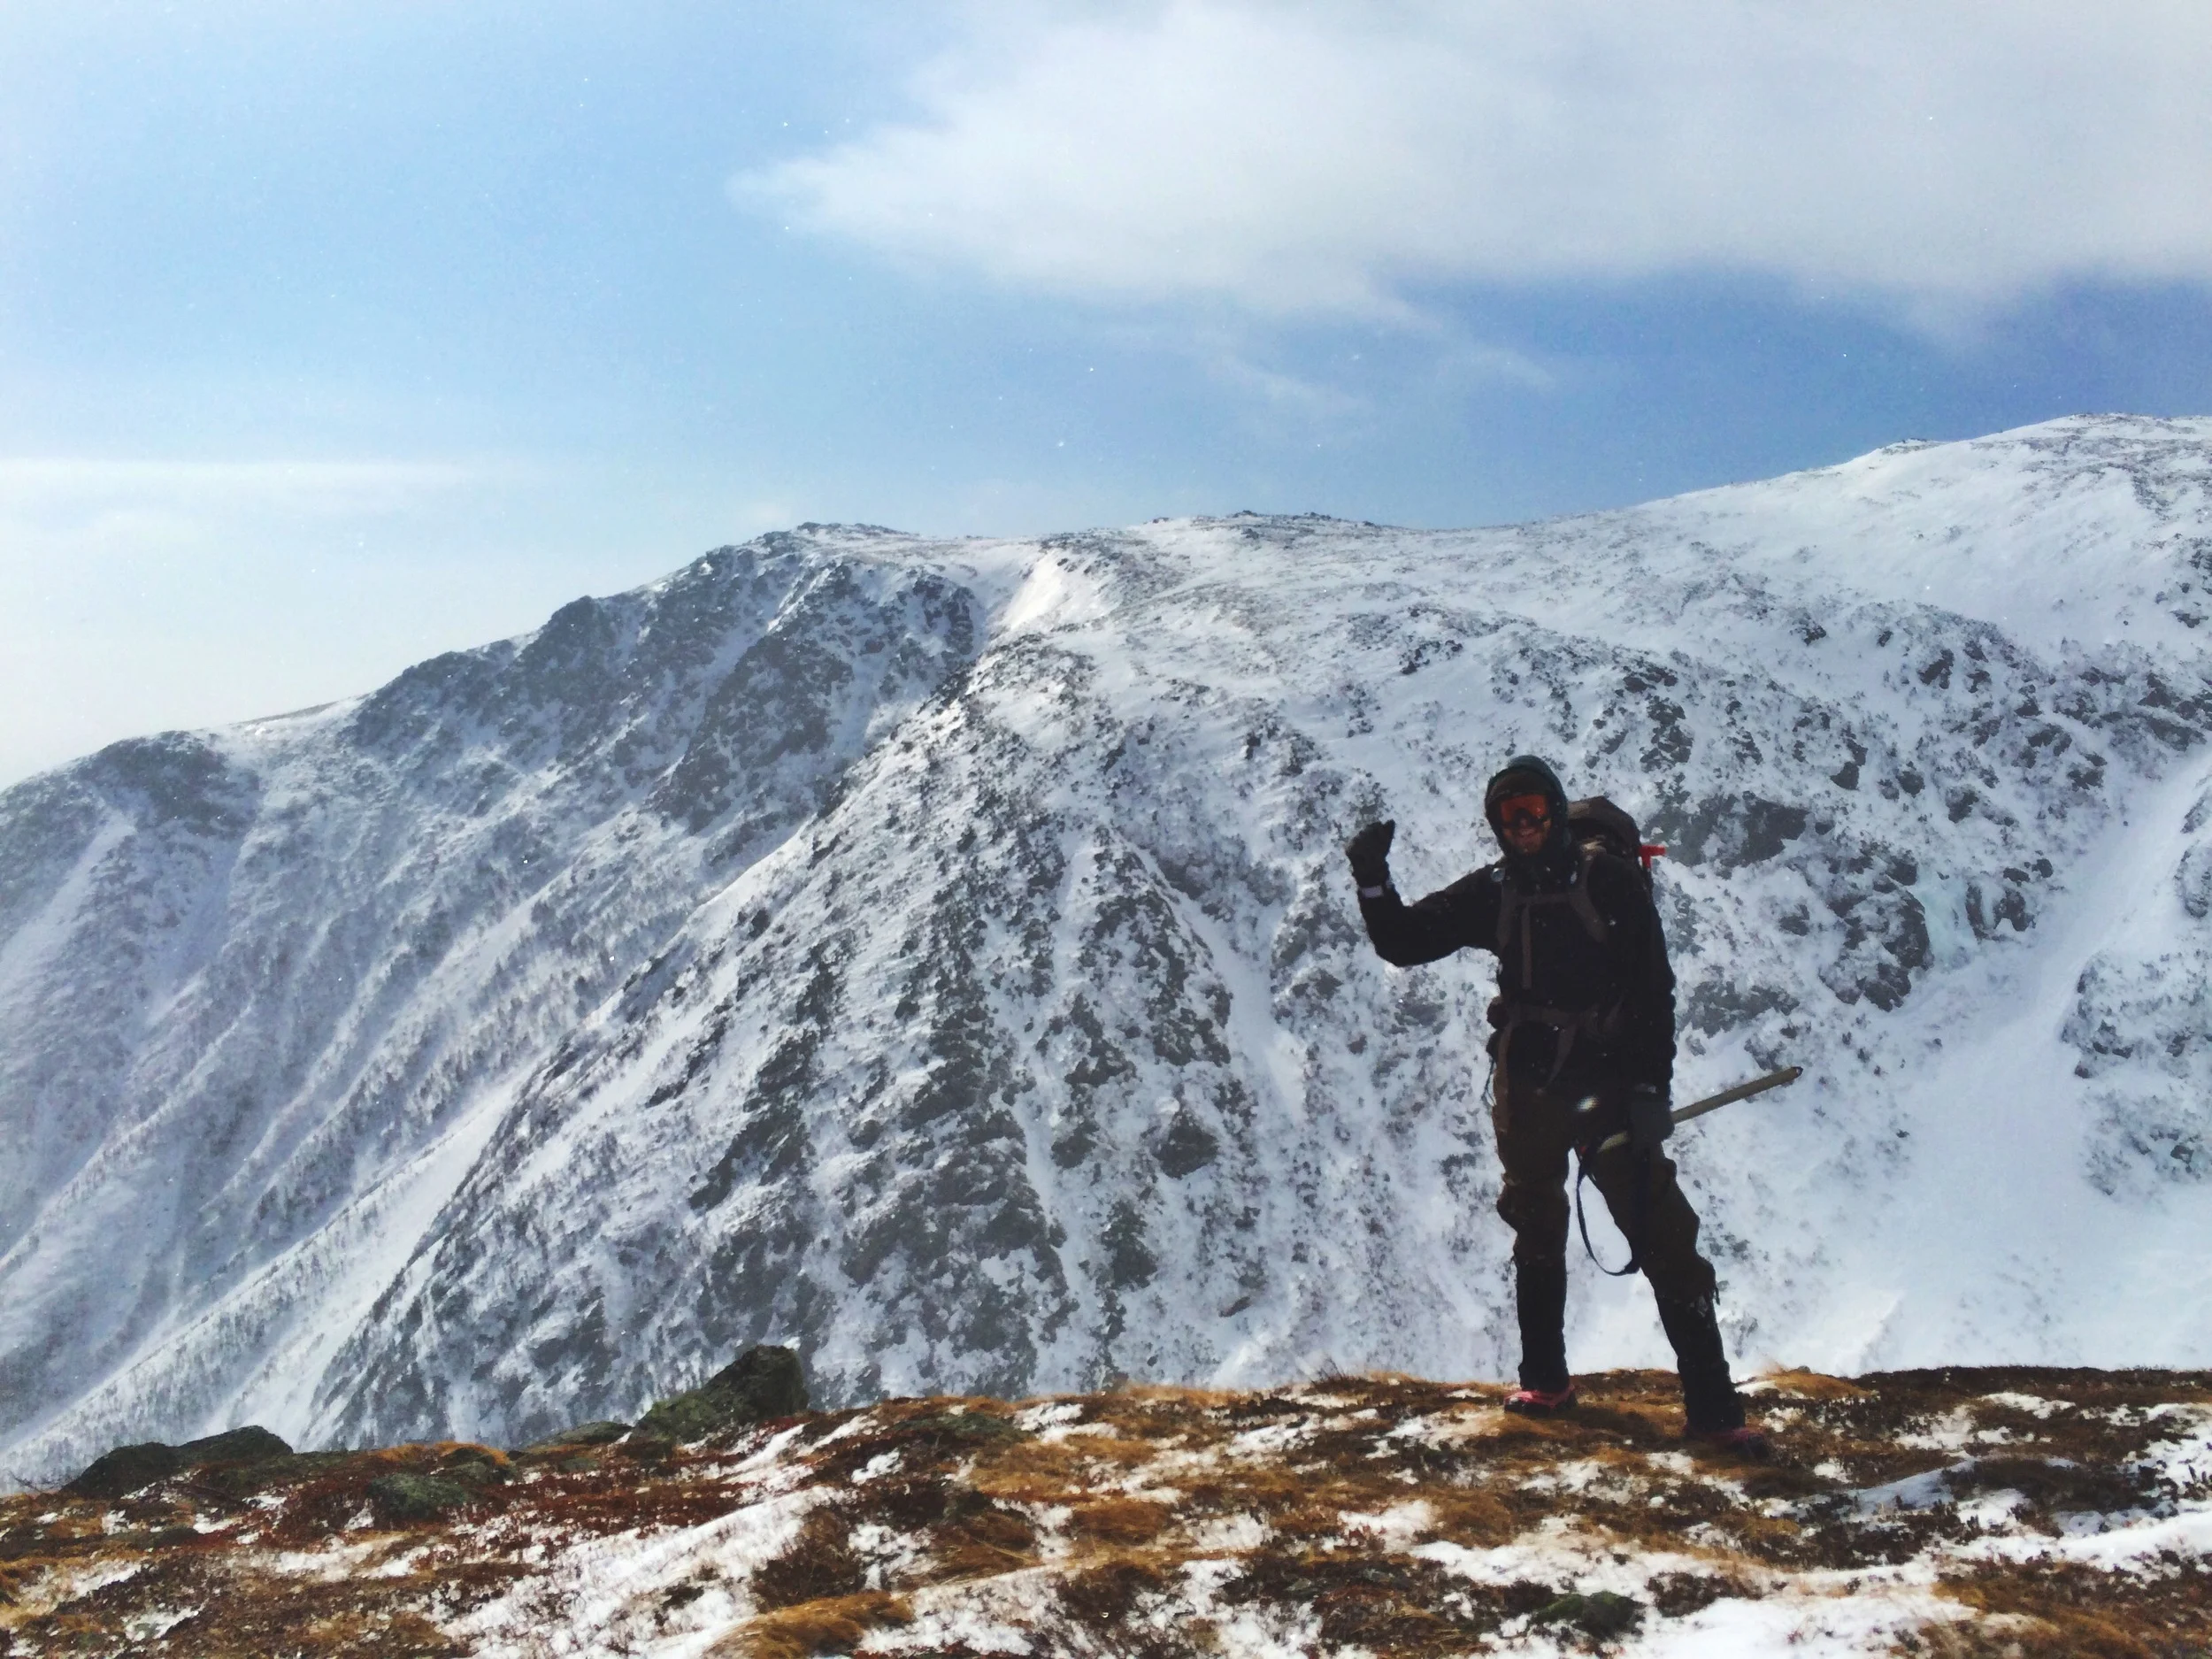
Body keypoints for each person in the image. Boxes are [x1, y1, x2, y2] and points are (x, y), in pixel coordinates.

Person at [1346, 755, 1766, 1455]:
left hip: (1608, 1095)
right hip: (1529, 1093)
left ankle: (1716, 1412)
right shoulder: (1498, 889)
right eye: (1511, 816)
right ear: (1496, 825)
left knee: (1665, 1237)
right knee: (1535, 1229)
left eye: (1536, 809)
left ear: (1557, 807)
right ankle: (1545, 1383)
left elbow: (1653, 992)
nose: (1527, 825)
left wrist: (1651, 1094)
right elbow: (1404, 942)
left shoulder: (1610, 881)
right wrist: (1372, 879)